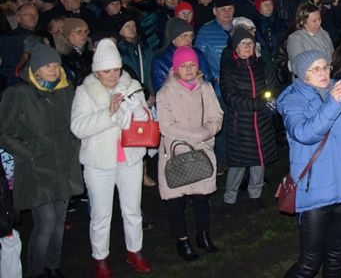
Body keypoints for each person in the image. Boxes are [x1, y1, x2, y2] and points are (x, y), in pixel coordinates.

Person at [277, 50, 341, 278]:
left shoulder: (340, 88)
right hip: (315, 192)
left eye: (326, 67)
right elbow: (305, 133)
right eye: (316, 69)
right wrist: (333, 103)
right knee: (309, 264)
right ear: (303, 74)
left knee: (336, 255)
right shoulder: (293, 100)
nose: (323, 73)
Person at [69, 38, 152, 276]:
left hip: (130, 157)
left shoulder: (132, 85)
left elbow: (145, 119)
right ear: (97, 70)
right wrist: (109, 114)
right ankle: (100, 258)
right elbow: (78, 127)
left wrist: (138, 109)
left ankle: (135, 251)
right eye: (107, 70)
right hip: (99, 162)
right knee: (101, 213)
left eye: (116, 69)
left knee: (132, 209)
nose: (113, 75)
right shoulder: (85, 91)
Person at [0, 44, 83, 278]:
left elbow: (76, 122)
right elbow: (3, 132)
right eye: (48, 65)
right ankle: (36, 271)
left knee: (59, 221)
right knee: (46, 222)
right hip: (37, 168)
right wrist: (29, 152)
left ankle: (53, 266)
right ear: (35, 69)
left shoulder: (66, 89)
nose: (54, 70)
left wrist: (74, 145)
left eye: (57, 64)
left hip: (65, 164)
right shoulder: (18, 93)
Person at [156, 46, 224, 262]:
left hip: (202, 149)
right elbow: (166, 126)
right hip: (176, 151)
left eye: (192, 64)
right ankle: (182, 240)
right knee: (176, 200)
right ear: (175, 68)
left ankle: (203, 235)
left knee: (201, 197)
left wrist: (207, 131)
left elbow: (217, 115)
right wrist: (197, 135)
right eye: (183, 65)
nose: (188, 69)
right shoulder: (165, 92)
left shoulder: (206, 88)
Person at [219, 27, 278, 210]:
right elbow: (231, 98)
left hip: (261, 122)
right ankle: (230, 198)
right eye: (243, 43)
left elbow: (273, 87)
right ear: (235, 46)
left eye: (250, 43)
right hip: (240, 123)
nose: (247, 46)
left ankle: (255, 194)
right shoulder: (229, 68)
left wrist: (271, 101)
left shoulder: (262, 65)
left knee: (258, 160)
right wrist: (259, 103)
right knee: (238, 163)